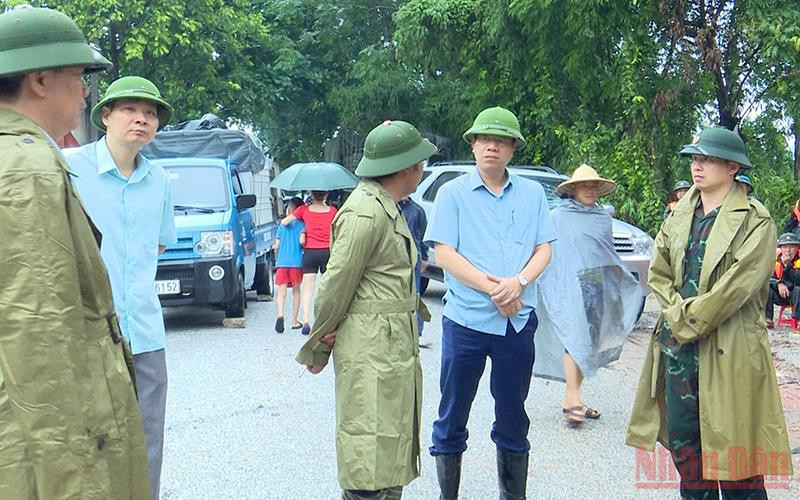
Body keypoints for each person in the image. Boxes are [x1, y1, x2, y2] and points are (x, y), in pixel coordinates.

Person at [0, 6, 150, 498]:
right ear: (40, 80)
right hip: (51, 445)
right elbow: (37, 334)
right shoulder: (26, 168)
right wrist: (76, 480)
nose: (85, 90)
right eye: (79, 75)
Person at [627, 126, 793, 497]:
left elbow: (736, 289)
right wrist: (676, 316)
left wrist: (683, 320)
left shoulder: (755, 220)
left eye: (707, 159)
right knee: (689, 464)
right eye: (694, 159)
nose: (697, 166)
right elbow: (660, 272)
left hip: (729, 351)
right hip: (679, 356)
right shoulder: (680, 213)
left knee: (738, 467)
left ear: (733, 167)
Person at [296, 120, 436, 500]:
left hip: (388, 345)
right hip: (373, 348)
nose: (422, 169)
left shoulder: (384, 205)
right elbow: (336, 286)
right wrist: (318, 347)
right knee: (368, 458)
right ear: (406, 166)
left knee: (389, 451)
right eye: (419, 162)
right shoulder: (365, 212)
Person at [425, 107, 556, 500]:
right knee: (452, 417)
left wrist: (518, 282)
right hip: (465, 321)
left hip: (516, 325)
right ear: (473, 144)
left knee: (514, 418)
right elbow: (444, 254)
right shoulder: (453, 194)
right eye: (484, 139)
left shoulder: (533, 194)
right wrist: (494, 289)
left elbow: (544, 249)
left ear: (513, 148)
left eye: (500, 140)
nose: (492, 146)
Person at [65, 75, 176, 500]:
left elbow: (159, 243)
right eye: (130, 109)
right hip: (88, 335)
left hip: (146, 333)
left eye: (150, 113)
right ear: (106, 115)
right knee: (89, 442)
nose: (141, 119)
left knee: (148, 443)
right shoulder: (70, 167)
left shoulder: (160, 180)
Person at [533, 164, 642, 424]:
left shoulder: (603, 218)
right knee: (574, 338)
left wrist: (618, 282)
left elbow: (605, 254)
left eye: (594, 186)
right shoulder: (557, 217)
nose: (590, 190)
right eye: (585, 185)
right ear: (573, 189)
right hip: (566, 284)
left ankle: (574, 396)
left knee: (590, 342)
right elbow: (547, 251)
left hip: (596, 285)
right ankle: (572, 398)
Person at [282, 190, 337, 335]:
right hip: (327, 252)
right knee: (327, 287)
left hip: (310, 252)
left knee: (308, 288)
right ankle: (326, 320)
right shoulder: (332, 211)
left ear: (312, 195)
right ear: (326, 195)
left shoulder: (304, 210)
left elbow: (284, 222)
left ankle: (306, 321)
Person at [273, 196, 306, 332]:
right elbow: (302, 241)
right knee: (296, 291)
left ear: (289, 210)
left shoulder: (281, 226)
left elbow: (276, 246)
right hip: (296, 262)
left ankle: (280, 315)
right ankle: (294, 321)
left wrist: (278, 259)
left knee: (281, 292)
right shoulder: (302, 225)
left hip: (282, 262)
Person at [399, 195, 428, 335]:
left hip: (413, 257)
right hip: (395, 257)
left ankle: (417, 331)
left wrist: (424, 257)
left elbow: (423, 236)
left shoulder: (418, 211)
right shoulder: (393, 207)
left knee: (414, 294)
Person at [765, 232, 800, 328]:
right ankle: (767, 318)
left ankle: (797, 320)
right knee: (766, 287)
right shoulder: (775, 259)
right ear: (780, 248)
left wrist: (787, 266)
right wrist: (778, 283)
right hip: (782, 295)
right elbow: (767, 277)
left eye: (791, 246)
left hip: (796, 295)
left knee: (798, 289)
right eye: (785, 247)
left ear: (797, 248)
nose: (788, 251)